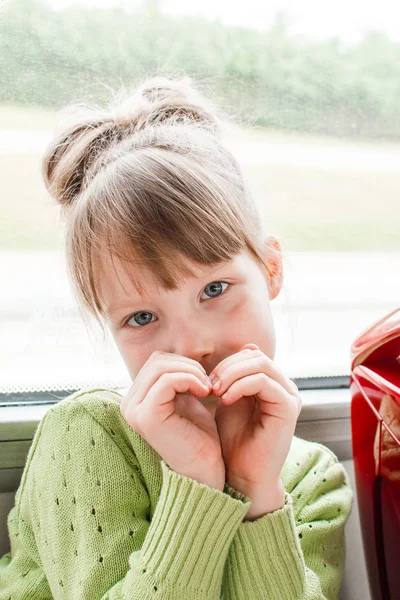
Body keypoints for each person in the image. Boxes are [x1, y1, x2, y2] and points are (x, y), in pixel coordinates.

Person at [0, 74, 353, 599]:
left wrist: (258, 490)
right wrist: (195, 483)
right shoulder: (87, 436)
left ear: (272, 269)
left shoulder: (310, 478)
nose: (191, 345)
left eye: (214, 288)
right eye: (141, 318)